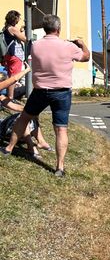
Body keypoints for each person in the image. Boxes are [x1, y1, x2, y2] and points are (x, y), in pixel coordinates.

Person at [0, 15, 90, 177]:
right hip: (62, 92)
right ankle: (59, 168)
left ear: (44, 29)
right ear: (59, 28)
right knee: (61, 129)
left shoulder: (36, 46)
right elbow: (86, 57)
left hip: (40, 90)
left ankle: (8, 148)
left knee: (24, 118)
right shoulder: (68, 46)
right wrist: (82, 45)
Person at [2, 10, 27, 100]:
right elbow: (25, 39)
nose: (19, 20)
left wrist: (20, 31)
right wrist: (24, 31)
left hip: (8, 55)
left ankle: (9, 96)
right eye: (18, 18)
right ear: (14, 19)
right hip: (15, 56)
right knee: (14, 77)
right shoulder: (12, 28)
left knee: (10, 76)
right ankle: (10, 97)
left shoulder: (6, 28)